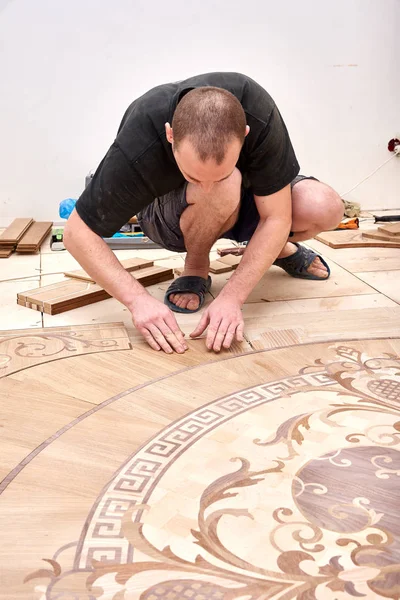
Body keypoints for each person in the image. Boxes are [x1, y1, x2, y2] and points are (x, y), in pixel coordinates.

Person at [64, 72, 344, 354]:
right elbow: (76, 233)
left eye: (215, 175)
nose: (206, 186)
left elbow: (277, 216)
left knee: (325, 206)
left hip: (242, 197)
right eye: (193, 175)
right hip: (171, 220)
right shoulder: (141, 135)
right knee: (223, 187)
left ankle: (276, 246)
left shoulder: (258, 111)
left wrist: (232, 297)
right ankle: (196, 266)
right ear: (170, 135)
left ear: (245, 134)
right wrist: (138, 301)